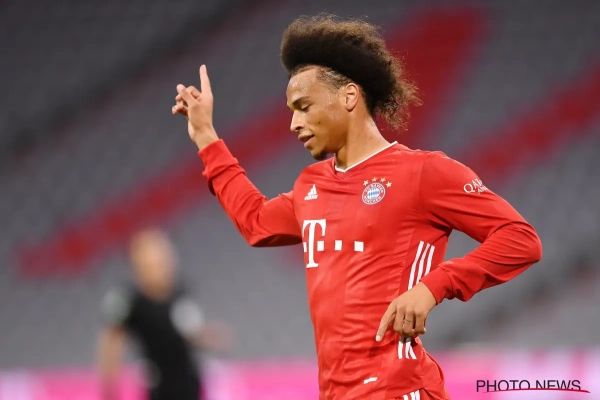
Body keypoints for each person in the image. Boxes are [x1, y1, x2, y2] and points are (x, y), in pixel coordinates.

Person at [171, 14, 542, 400]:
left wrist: (434, 286)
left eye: (304, 106)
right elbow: (256, 222)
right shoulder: (311, 185)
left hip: (401, 390)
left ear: (349, 97)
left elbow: (520, 239)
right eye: (292, 111)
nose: (294, 123)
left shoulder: (424, 173)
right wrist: (206, 137)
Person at [97, 228, 230, 400]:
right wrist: (109, 390)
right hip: (160, 389)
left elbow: (186, 333)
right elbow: (111, 345)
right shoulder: (129, 302)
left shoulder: (180, 293)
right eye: (152, 262)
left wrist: (207, 337)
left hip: (190, 386)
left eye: (163, 260)